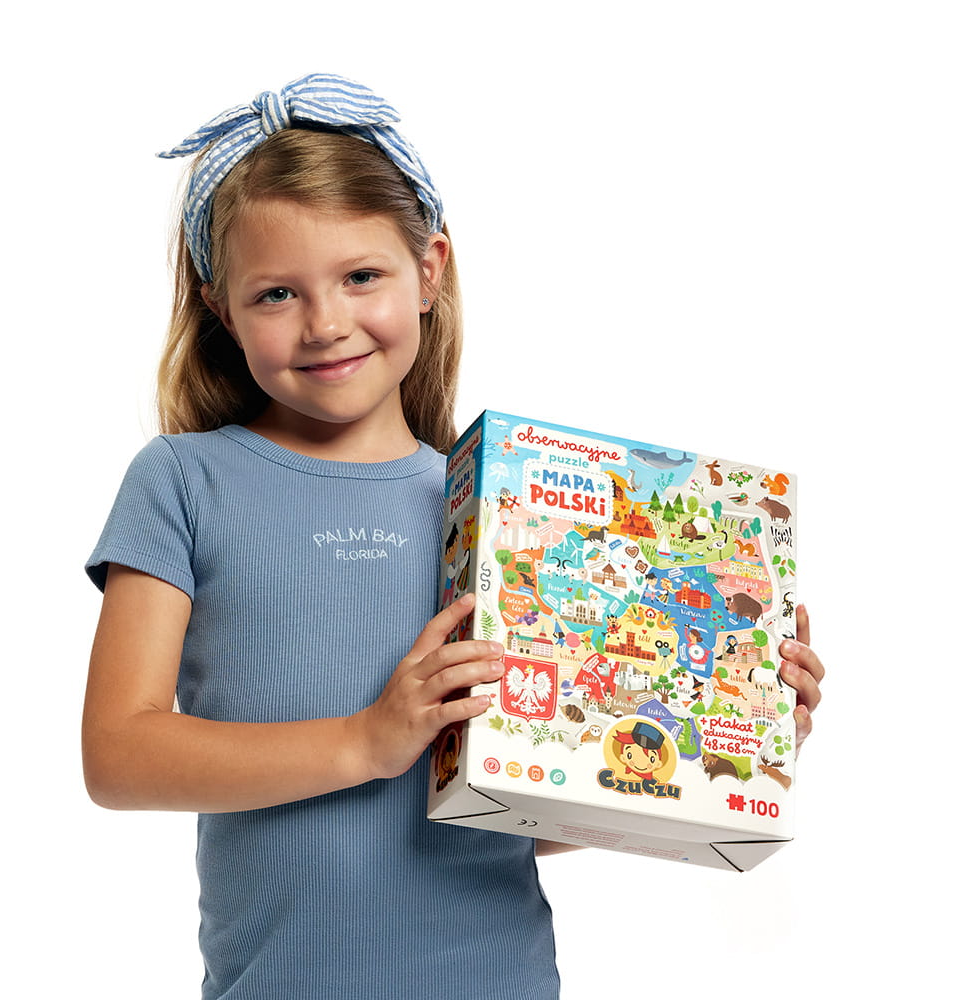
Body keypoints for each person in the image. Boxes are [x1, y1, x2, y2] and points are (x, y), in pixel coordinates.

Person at [83, 73, 825, 999]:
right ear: (221, 309)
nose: (326, 323)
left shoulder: (499, 511)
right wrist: (365, 741)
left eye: (362, 276)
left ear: (429, 270)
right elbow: (118, 755)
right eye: (276, 293)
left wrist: (732, 735)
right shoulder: (183, 481)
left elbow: (515, 798)